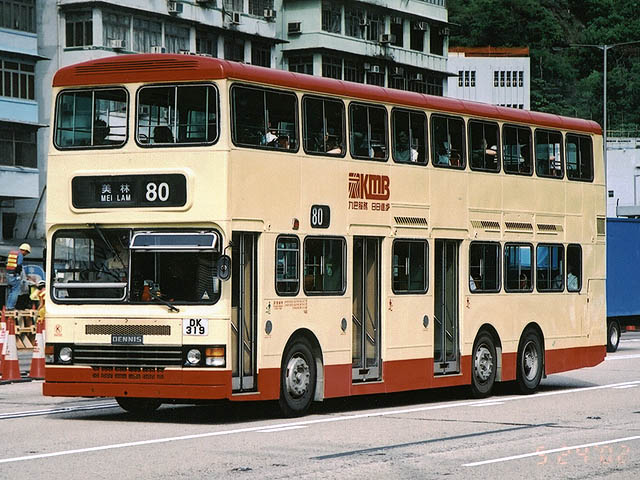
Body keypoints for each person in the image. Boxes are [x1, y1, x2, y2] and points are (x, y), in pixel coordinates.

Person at [5, 243, 30, 310]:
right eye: (26, 253)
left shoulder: (12, 253)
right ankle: (11, 307)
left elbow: (6, 263)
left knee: (11, 291)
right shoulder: (20, 255)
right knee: (16, 291)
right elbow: (19, 265)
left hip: (8, 275)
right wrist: (18, 274)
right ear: (25, 250)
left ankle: (8, 306)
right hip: (14, 275)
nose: (26, 254)